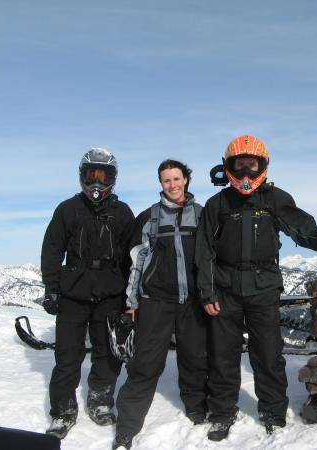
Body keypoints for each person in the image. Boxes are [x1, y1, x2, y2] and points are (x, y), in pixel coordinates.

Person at [196, 135, 317, 441]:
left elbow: (300, 227)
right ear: (229, 167)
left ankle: (273, 411)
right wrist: (208, 291)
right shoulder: (217, 204)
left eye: (253, 165)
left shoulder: (275, 199)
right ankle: (222, 412)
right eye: (241, 165)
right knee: (223, 354)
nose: (247, 173)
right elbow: (204, 251)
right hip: (225, 288)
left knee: (268, 353)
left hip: (263, 287)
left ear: (263, 166)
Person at [112, 160, 208, 450]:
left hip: (192, 301)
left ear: (186, 180)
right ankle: (126, 428)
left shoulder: (203, 215)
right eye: (166, 180)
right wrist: (131, 302)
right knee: (145, 364)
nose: (172, 185)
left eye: (176, 178)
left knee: (194, 359)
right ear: (160, 183)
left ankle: (196, 407)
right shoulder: (149, 218)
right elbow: (136, 263)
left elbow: (212, 260)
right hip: (156, 301)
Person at [41, 148, 135, 439]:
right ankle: (63, 410)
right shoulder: (67, 209)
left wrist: (131, 297)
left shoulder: (122, 212)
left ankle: (100, 398)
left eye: (103, 176)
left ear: (112, 178)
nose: (97, 182)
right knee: (67, 354)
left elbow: (133, 257)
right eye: (91, 175)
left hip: (110, 291)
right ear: (82, 176)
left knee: (107, 352)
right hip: (73, 292)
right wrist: (51, 288)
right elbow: (52, 249)